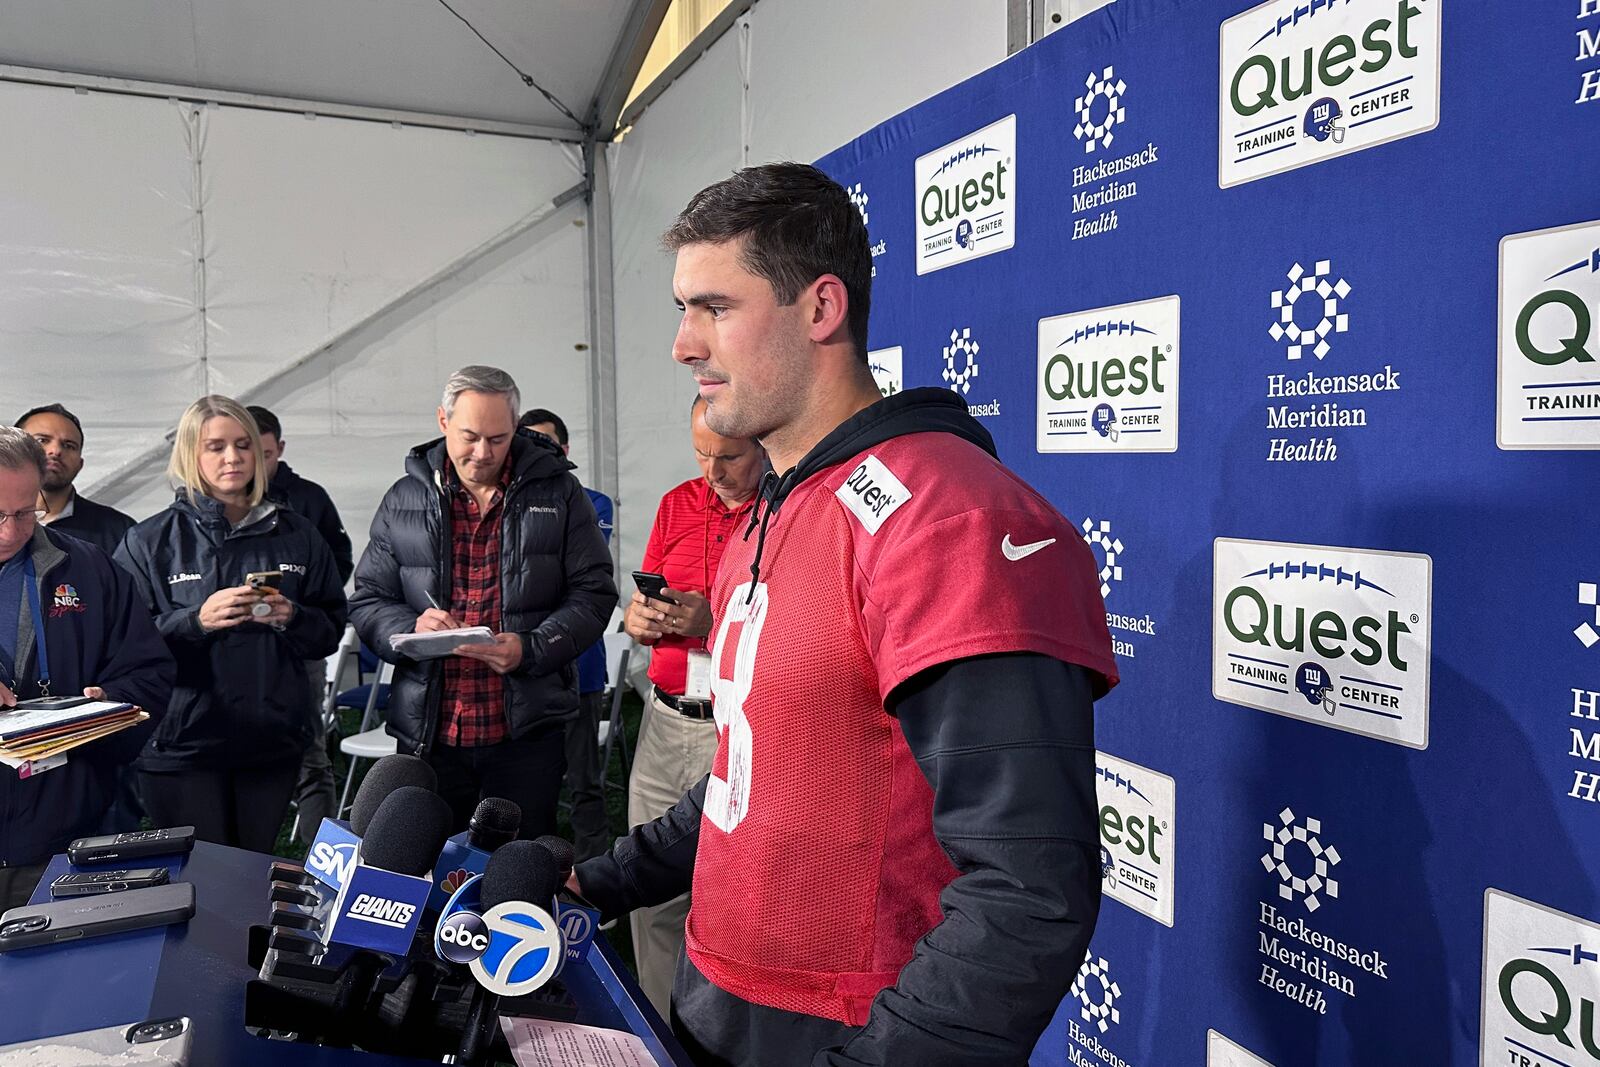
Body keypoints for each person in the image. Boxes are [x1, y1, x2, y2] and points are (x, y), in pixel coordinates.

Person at [571, 164, 1118, 1066]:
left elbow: (1027, 888)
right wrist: (598, 876)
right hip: (714, 1006)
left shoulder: (953, 518)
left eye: (714, 307)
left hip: (843, 1034)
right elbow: (758, 775)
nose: (682, 345)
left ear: (821, 309)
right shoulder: (776, 505)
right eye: (682, 309)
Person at [349, 367, 617, 839]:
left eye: (498, 438)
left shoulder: (558, 493)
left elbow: (594, 593)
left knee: (513, 875)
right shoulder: (405, 497)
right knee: (426, 875)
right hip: (430, 731)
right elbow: (369, 597)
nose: (483, 453)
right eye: (470, 436)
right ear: (442, 421)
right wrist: (412, 627)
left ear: (515, 428)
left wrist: (531, 648)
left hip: (524, 732)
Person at [116, 396, 346, 852]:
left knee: (253, 875)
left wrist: (292, 618)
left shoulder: (297, 533)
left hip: (271, 741)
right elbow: (122, 646)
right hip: (181, 748)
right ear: (189, 454)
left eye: (242, 445)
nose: (233, 457)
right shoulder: (149, 541)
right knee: (201, 884)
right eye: (215, 446)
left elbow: (331, 629)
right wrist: (195, 621)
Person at [617, 394, 765, 1017]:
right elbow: (640, 605)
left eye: (728, 457)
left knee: (735, 898)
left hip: (738, 730)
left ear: (763, 445)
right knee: (650, 899)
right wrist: (641, 620)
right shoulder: (678, 503)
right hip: (664, 718)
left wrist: (714, 620)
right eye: (702, 453)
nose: (713, 471)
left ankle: (718, 1038)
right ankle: (657, 1036)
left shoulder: (785, 511)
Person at [0, 428, 174, 908]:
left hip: (59, 832)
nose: (11, 531)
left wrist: (107, 710)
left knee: (51, 978)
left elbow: (150, 671)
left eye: (24, 512)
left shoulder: (88, 568)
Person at [248, 404, 353, 844]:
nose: (252, 463)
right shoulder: (212, 506)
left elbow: (339, 564)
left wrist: (301, 608)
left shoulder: (309, 499)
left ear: (279, 449)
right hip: (238, 652)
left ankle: (319, 858)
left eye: (263, 453)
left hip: (298, 648)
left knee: (310, 754)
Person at [518, 407, 614, 864]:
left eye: (546, 443)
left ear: (565, 450)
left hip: (581, 668)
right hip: (526, 672)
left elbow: (576, 582)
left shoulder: (591, 501)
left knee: (584, 782)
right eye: (527, 441)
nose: (536, 452)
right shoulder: (507, 503)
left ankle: (590, 885)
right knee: (529, 784)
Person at [15, 404, 136, 557]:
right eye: (42, 440)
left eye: (69, 446)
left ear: (80, 464)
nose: (56, 450)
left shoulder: (118, 530)